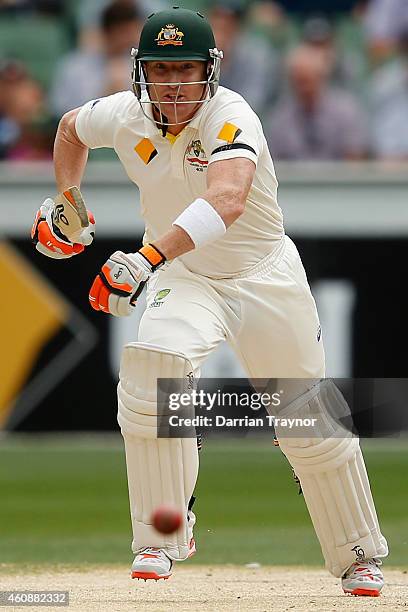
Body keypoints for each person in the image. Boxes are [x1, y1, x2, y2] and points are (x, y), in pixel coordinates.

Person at [31, 6, 388, 596]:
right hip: (188, 275)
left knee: (308, 421)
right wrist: (69, 200)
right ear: (140, 71)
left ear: (210, 71)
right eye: (162, 69)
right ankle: (160, 537)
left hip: (264, 276)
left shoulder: (233, 117)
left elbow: (228, 200)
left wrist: (144, 260)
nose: (174, 84)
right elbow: (70, 128)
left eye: (187, 70)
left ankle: (357, 556)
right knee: (151, 363)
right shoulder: (124, 113)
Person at [265, 45, 368, 160]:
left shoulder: (346, 111)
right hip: (293, 177)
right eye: (298, 82)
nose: (303, 89)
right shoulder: (281, 116)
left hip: (339, 177)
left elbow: (355, 158)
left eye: (308, 81)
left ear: (322, 78)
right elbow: (273, 163)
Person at [50, 1, 143, 116]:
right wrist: (104, 95)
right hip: (85, 131)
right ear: (109, 32)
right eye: (126, 33)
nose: (132, 38)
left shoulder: (142, 65)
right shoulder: (74, 66)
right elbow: (59, 109)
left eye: (134, 32)